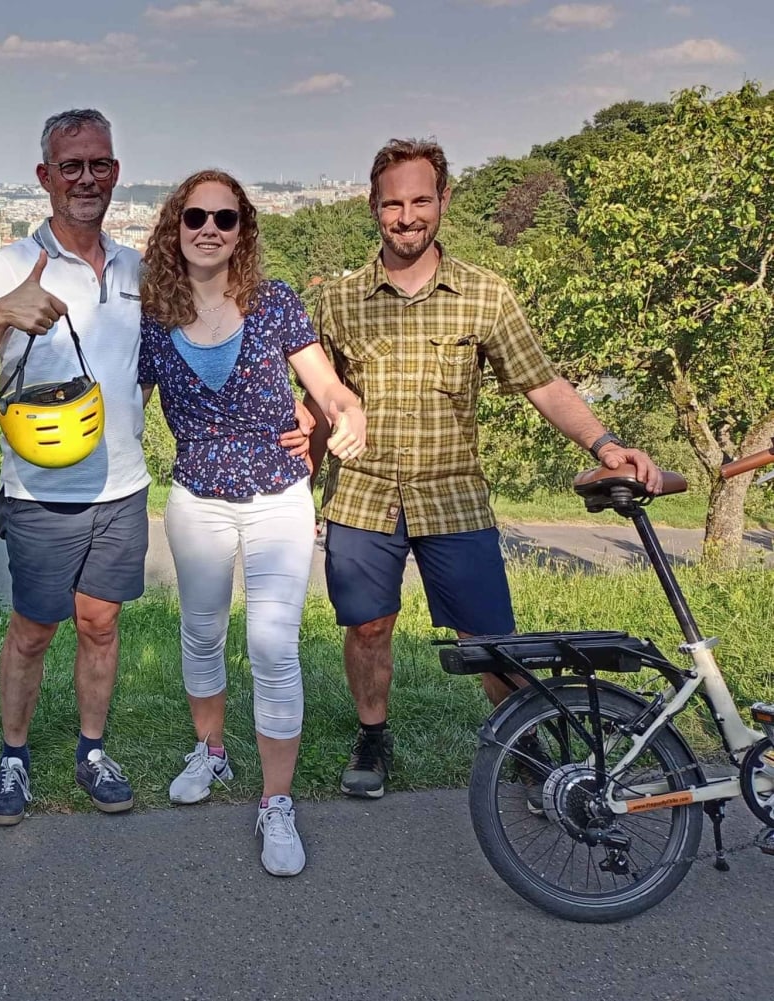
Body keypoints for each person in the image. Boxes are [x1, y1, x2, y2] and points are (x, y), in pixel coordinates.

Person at [307, 137, 663, 801]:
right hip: (360, 496)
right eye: (392, 203)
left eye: (420, 200)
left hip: (454, 496)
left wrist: (604, 444)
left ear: (444, 199)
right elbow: (319, 409)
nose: (406, 216)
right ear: (372, 206)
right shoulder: (338, 300)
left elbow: (542, 384)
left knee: (491, 639)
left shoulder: (484, 295)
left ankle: (528, 745)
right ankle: (372, 734)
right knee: (367, 626)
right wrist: (295, 490)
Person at [138, 169, 366, 876]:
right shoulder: (155, 317)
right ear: (176, 228)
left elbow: (326, 386)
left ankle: (276, 803)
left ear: (244, 232)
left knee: (273, 646)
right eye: (196, 217)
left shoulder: (274, 305)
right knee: (201, 633)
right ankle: (210, 751)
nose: (209, 228)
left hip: (276, 496)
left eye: (225, 219)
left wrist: (344, 415)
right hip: (198, 498)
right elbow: (121, 401)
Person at [0, 108, 149, 825]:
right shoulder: (6, 264)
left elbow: (142, 372)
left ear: (115, 172)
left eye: (100, 164)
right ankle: (14, 757)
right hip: (38, 492)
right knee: (34, 627)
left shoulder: (135, 266)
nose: (87, 178)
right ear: (45, 177)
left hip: (123, 487)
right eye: (72, 166)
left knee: (102, 625)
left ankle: (91, 751)